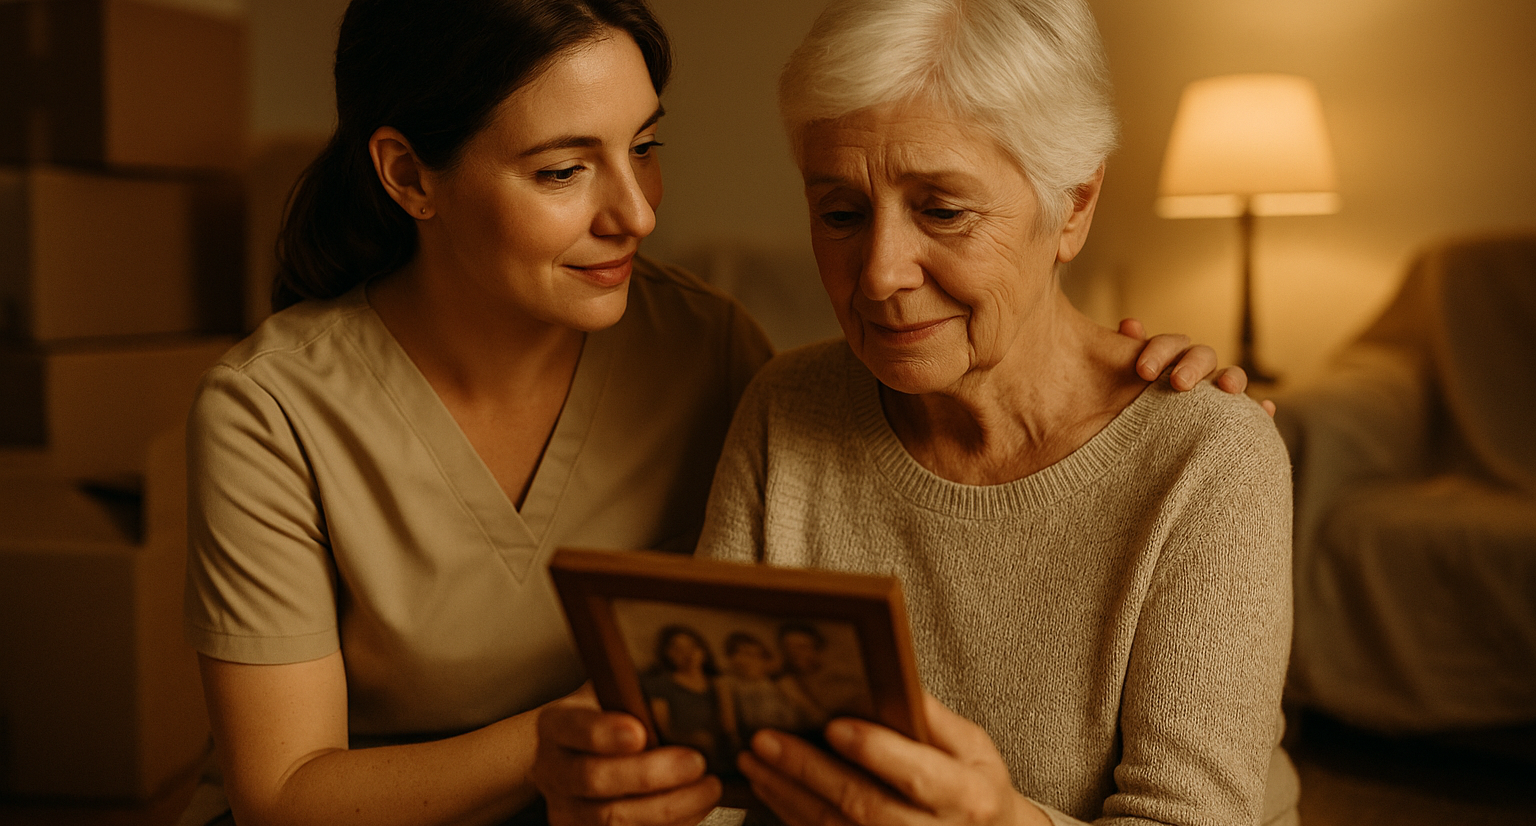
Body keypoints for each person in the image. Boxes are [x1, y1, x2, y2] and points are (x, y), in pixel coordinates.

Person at [181, 1, 1255, 824]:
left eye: (646, 146)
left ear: (1075, 203)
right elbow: (281, 790)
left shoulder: (715, 353)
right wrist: (568, 746)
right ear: (409, 177)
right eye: (562, 168)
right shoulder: (274, 411)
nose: (640, 214)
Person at [538, 1, 1298, 826]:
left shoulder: (1208, 459)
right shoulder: (785, 408)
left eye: (942, 210)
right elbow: (727, 785)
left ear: (1072, 205)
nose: (879, 275)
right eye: (840, 213)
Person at [639, 626, 728, 770]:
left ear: (702, 650)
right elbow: (664, 730)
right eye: (678, 649)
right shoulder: (660, 684)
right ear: (667, 654)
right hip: (681, 755)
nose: (688, 654)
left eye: (692, 647)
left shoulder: (718, 683)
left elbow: (729, 727)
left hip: (721, 755)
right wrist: (694, 739)